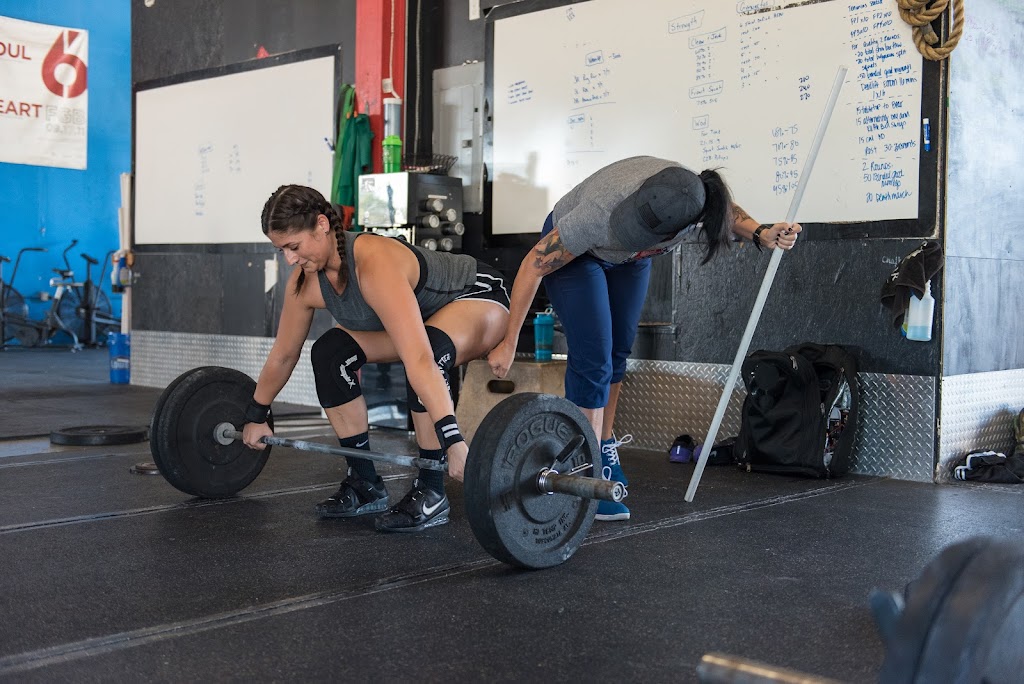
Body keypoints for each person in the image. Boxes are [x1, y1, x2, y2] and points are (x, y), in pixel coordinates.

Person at [487, 156, 801, 521]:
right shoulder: (597, 214)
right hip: (581, 254)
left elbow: (727, 210)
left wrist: (762, 232)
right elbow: (533, 265)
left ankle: (603, 444)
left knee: (618, 351)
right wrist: (509, 341)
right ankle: (583, 471)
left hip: (629, 261)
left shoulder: (690, 200)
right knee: (594, 358)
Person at [242, 184, 510, 533]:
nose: (289, 259)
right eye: (281, 250)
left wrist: (454, 441)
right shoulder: (306, 281)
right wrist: (256, 414)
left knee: (428, 348)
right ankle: (364, 482)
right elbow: (284, 353)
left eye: (294, 247)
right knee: (330, 353)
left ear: (322, 225)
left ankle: (431, 487)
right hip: (425, 320)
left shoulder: (373, 263)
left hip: (477, 296)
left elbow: (419, 358)